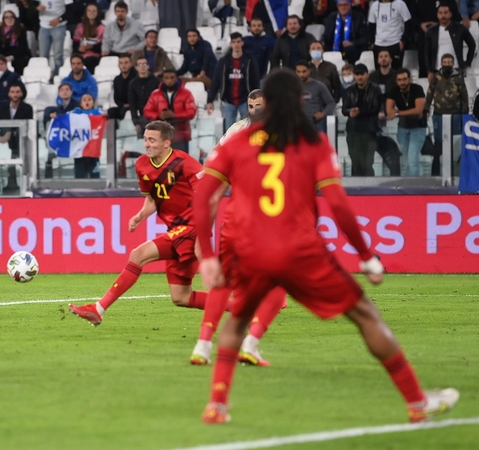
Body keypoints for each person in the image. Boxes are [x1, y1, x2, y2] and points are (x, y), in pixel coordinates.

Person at [195, 68, 460, 425]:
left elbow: (204, 197)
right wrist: (367, 257)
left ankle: (217, 405)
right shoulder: (313, 143)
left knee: (237, 320)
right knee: (365, 313)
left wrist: (208, 254)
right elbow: (338, 205)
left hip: (250, 251)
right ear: (299, 102)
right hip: (301, 251)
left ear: (265, 103)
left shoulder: (236, 143)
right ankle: (415, 401)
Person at [69, 120, 208, 325]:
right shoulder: (142, 164)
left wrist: (201, 233)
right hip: (175, 229)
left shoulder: (185, 163)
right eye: (145, 139)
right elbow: (153, 197)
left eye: (152, 140)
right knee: (181, 297)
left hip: (190, 228)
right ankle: (242, 306)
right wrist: (140, 216)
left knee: (138, 254)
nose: (147, 144)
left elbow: (206, 194)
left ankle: (98, 309)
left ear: (167, 143)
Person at [189, 89, 288, 367]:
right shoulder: (285, 134)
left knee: (224, 283)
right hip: (268, 220)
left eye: (260, 106)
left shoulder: (238, 140)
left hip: (237, 218)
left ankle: (203, 345)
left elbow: (213, 187)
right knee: (279, 280)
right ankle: (250, 343)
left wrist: (202, 237)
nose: (255, 110)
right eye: (251, 106)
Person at [424, 54, 468, 176]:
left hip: (456, 114)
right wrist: (426, 108)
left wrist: (465, 113)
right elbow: (430, 93)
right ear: (441, 63)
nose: (447, 64)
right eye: (445, 62)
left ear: (453, 64)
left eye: (449, 62)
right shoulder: (436, 77)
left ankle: (455, 173)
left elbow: (464, 95)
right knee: (439, 144)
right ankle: (436, 172)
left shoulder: (458, 77)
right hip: (439, 114)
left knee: (455, 144)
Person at [208, 32, 261, 131]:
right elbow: (216, 80)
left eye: (238, 41)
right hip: (229, 100)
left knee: (247, 130)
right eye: (234, 42)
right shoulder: (223, 62)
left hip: (245, 99)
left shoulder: (249, 60)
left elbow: (255, 80)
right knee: (229, 131)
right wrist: (210, 100)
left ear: (242, 43)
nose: (236, 44)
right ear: (230, 44)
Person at [342, 63, 382, 176]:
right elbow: (344, 110)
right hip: (353, 130)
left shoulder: (375, 89)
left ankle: (370, 189)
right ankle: (356, 190)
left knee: (367, 162)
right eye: (357, 74)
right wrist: (350, 112)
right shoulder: (348, 91)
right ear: (354, 75)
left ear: (367, 75)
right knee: (355, 162)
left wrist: (358, 113)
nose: (360, 77)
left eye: (362, 74)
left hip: (369, 130)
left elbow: (375, 109)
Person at [143, 69, 197, 152]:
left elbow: (191, 112)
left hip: (180, 135)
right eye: (166, 78)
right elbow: (147, 111)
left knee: (180, 162)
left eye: (172, 77)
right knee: (162, 163)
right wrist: (158, 115)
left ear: (176, 78)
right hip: (161, 136)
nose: (169, 80)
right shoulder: (155, 94)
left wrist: (174, 115)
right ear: (162, 79)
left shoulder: (186, 93)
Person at [386, 69, 426, 176]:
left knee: (412, 160)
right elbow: (389, 111)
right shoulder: (394, 90)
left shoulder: (417, 89)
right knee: (405, 161)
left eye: (404, 79)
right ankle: (407, 185)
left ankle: (414, 188)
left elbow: (418, 110)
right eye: (399, 80)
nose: (402, 82)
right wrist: (405, 113)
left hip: (418, 128)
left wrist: (398, 113)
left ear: (410, 79)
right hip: (402, 129)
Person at [0, 82, 33, 157]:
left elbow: (28, 126)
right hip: (2, 134)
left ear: (22, 94)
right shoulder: (1, 107)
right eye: (12, 92)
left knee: (16, 139)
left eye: (17, 92)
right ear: (9, 94)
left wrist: (10, 133)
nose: (15, 95)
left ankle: (15, 161)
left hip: (18, 135)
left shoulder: (27, 108)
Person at [424, 4, 475, 81]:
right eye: (440, 13)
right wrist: (429, 71)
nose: (443, 15)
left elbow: (472, 44)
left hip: (456, 69)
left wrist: (468, 62)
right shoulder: (431, 31)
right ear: (437, 15)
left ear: (450, 14)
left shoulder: (460, 28)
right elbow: (426, 52)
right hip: (437, 70)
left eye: (445, 12)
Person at [415, 0, 461, 76]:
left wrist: (440, 23)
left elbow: (456, 17)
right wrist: (420, 24)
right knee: (424, 56)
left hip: (446, 33)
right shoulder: (417, 1)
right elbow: (412, 17)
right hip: (424, 33)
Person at [69, 93, 106, 178]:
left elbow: (105, 116)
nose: (87, 102)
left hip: (93, 149)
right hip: (79, 150)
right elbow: (65, 117)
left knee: (94, 174)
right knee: (79, 175)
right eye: (84, 100)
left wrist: (105, 115)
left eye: (89, 99)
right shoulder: (76, 112)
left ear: (93, 103)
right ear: (81, 103)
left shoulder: (98, 112)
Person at [367, 0, 411, 70]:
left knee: (397, 71)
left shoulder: (400, 4)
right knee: (379, 71)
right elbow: (371, 26)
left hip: (395, 42)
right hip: (379, 43)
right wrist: (372, 43)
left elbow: (408, 23)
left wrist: (403, 40)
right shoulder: (374, 5)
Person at [323, 0, 369, 64]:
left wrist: (352, 43)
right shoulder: (332, 17)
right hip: (335, 47)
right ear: (337, 6)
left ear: (350, 5)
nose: (343, 7)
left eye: (345, 5)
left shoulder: (358, 17)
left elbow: (365, 38)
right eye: (340, 5)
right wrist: (322, 42)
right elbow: (326, 35)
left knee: (349, 49)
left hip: (353, 49)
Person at [297, 60, 336, 131]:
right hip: (298, 123)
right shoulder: (292, 87)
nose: (301, 74)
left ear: (309, 71)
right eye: (299, 72)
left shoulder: (319, 85)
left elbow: (331, 102)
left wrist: (323, 113)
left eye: (304, 71)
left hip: (317, 123)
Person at [37, 0, 70, 77]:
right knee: (43, 55)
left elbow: (71, 9)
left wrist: (59, 19)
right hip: (43, 26)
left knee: (58, 55)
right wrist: (37, 8)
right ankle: (44, 76)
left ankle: (57, 76)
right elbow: (32, 5)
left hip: (59, 26)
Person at [129, 55, 161, 133]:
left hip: (156, 115)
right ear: (136, 67)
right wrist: (135, 122)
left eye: (144, 64)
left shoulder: (157, 81)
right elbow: (132, 104)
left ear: (148, 66)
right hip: (142, 116)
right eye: (140, 64)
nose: (142, 66)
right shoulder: (133, 84)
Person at [0, 9, 32, 75]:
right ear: (3, 20)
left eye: (11, 17)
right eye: (7, 17)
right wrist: (3, 57)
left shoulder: (21, 29)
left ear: (15, 18)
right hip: (4, 56)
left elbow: (23, 47)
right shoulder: (0, 31)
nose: (9, 19)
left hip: (19, 55)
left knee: (18, 62)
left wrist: (12, 57)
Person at [72, 3, 105, 74]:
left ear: (98, 13)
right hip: (82, 55)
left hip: (96, 56)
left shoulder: (102, 28)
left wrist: (91, 47)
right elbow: (75, 45)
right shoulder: (79, 27)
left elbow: (103, 47)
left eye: (94, 11)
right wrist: (79, 49)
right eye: (89, 10)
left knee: (89, 60)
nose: (91, 13)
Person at [108, 54, 135, 119]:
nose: (123, 65)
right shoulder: (117, 79)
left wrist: (130, 104)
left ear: (131, 64)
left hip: (135, 106)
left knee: (124, 111)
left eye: (126, 63)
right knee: (111, 111)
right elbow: (116, 98)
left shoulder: (136, 78)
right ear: (118, 65)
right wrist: (122, 105)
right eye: (121, 63)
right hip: (122, 106)